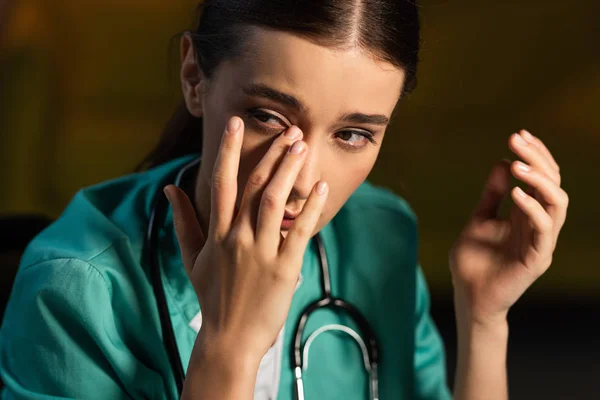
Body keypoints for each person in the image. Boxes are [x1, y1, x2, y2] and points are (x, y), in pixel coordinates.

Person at [0, 1, 569, 399]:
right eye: (267, 117)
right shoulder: (72, 289)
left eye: (352, 134)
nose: (301, 181)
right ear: (195, 76)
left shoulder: (379, 235)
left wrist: (484, 316)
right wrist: (229, 343)